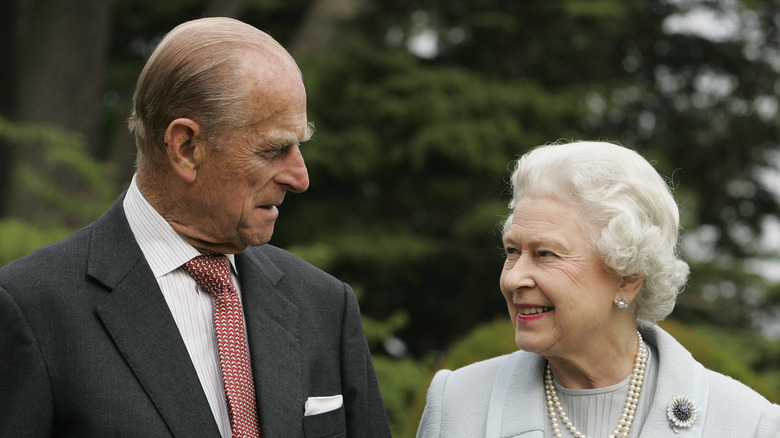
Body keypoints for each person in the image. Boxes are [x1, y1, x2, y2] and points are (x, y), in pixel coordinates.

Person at [0, 17, 391, 437]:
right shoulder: (30, 311)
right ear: (186, 147)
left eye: (299, 146)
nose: (299, 177)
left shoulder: (325, 306)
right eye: (274, 149)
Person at [417, 141, 780, 438]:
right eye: (513, 251)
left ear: (628, 277)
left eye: (545, 254)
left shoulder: (748, 425)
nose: (513, 279)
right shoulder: (457, 404)